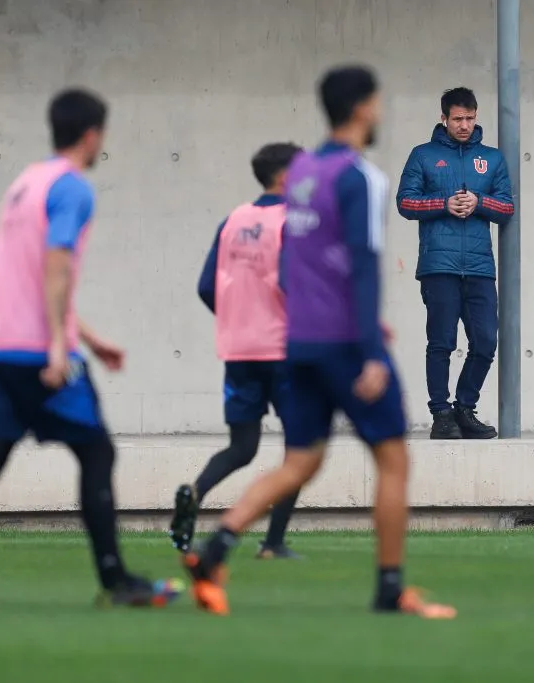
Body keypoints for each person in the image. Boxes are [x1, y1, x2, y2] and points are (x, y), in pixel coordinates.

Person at [180, 65, 455, 620]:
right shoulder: (361, 177)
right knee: (394, 460)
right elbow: (364, 264)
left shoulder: (302, 172)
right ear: (360, 108)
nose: (379, 113)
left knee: (301, 460)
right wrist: (373, 348)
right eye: (376, 103)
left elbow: (296, 263)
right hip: (344, 344)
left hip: (300, 341)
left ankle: (214, 550)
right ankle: (389, 589)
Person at [0, 89, 181, 612]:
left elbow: (32, 275)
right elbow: (55, 269)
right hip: (32, 351)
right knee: (97, 450)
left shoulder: (24, 183)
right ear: (91, 135)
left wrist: (88, 336)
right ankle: (115, 583)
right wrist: (61, 348)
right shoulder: (73, 188)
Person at [169, 142, 304, 560]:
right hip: (283, 350)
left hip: (239, 350)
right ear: (284, 177)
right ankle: (273, 543)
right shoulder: (293, 221)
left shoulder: (233, 221)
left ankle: (195, 491)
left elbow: (206, 286)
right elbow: (293, 282)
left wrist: (236, 321)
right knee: (300, 448)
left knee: (242, 447)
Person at [395, 87, 515, 440]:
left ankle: (464, 408)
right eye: (458, 118)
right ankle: (441, 414)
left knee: (485, 342)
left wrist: (478, 202)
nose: (464, 125)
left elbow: (507, 208)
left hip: (479, 267)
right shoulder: (423, 155)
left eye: (470, 118)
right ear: (443, 118)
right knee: (441, 342)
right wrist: (443, 204)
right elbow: (405, 202)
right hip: (439, 265)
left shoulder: (492, 159)